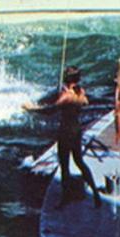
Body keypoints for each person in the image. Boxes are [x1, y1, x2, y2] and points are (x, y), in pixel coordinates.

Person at [23, 66, 101, 207]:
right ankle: (95, 193)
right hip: (77, 131)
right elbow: (84, 102)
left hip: (65, 132)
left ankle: (65, 199)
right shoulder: (81, 93)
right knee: (80, 162)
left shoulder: (66, 96)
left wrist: (31, 108)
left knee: (64, 166)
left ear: (67, 79)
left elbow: (50, 110)